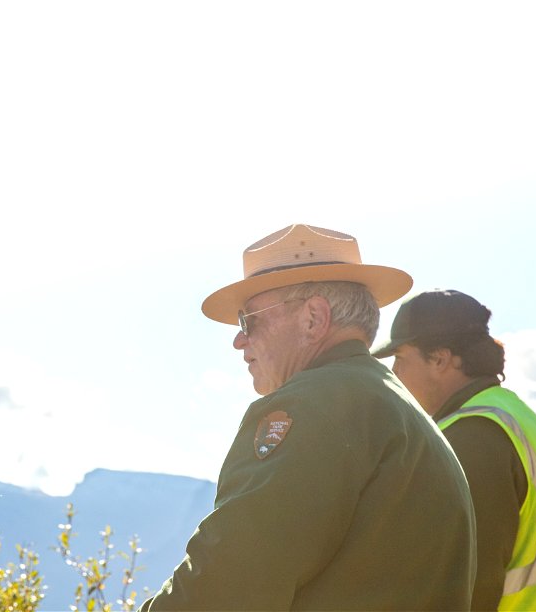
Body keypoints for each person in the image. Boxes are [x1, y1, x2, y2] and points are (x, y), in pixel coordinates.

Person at [140, 224, 477, 611]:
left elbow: (225, 584)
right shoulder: (395, 407)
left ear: (314, 318)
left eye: (249, 320)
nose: (239, 340)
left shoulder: (313, 406)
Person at [372, 289, 536, 611]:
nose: (395, 373)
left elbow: (465, 586)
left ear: (440, 359)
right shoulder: (530, 425)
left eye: (401, 359)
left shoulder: (472, 436)